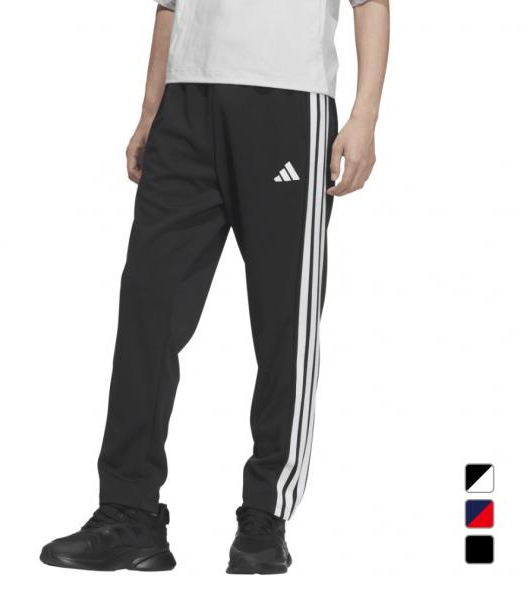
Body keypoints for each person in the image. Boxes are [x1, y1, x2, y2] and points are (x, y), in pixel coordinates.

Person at [40, 0, 389, 574]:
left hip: (286, 98)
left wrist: (364, 116)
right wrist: (150, 110)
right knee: (148, 309)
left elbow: (370, 2)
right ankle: (129, 511)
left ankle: (265, 515)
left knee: (284, 319)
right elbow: (168, 6)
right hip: (185, 104)